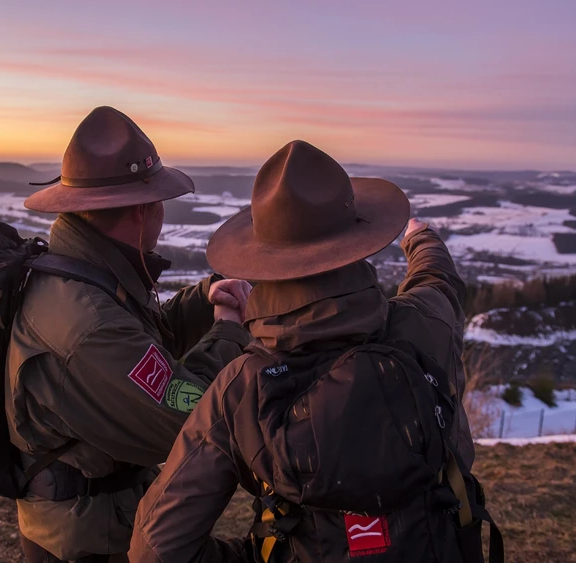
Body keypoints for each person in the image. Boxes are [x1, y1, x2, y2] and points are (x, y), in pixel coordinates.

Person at [129, 140, 483, 562]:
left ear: (265, 258)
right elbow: (438, 282)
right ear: (357, 238)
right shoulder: (425, 325)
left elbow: (156, 550)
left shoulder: (240, 388)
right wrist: (421, 239)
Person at [6, 106, 252, 562]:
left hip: (83, 523)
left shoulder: (81, 275)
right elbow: (191, 418)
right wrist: (229, 332)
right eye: (159, 200)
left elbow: (140, 350)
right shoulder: (90, 326)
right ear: (142, 211)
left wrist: (203, 299)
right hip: (93, 541)